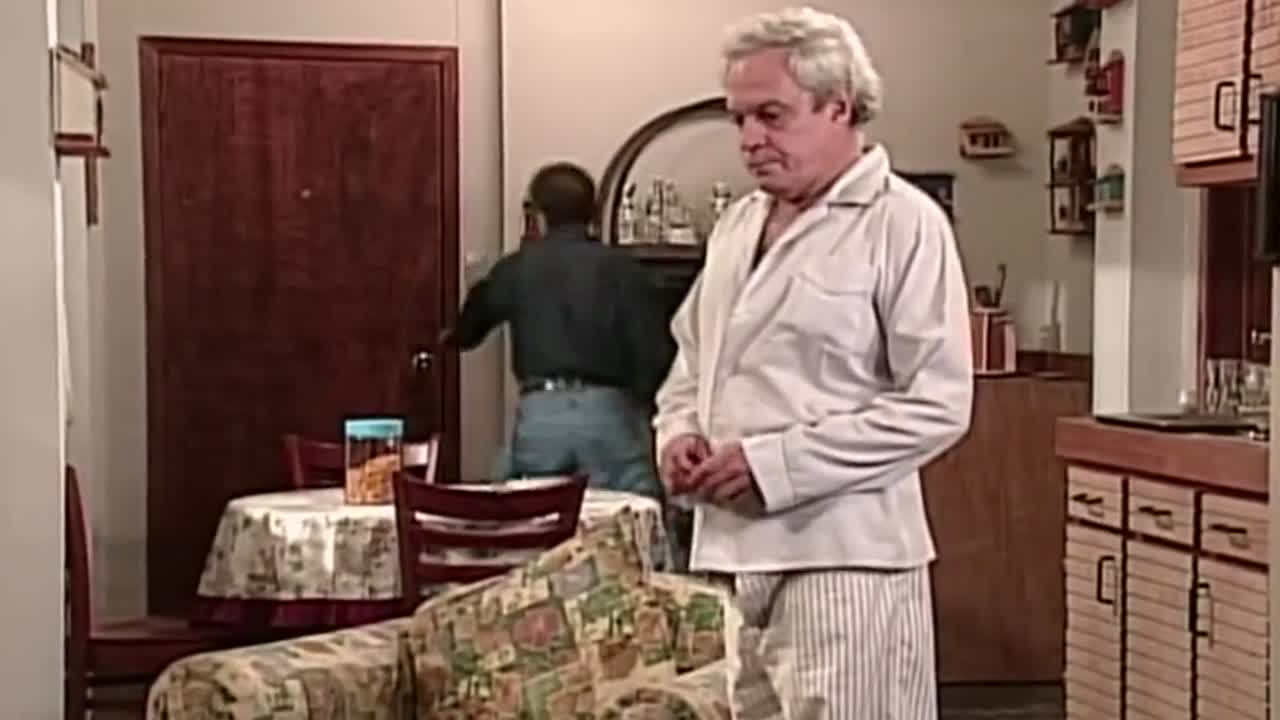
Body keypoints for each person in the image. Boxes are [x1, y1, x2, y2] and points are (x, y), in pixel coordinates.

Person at [654, 7, 973, 719]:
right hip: (732, 554)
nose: (749, 139)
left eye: (770, 115)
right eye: (739, 119)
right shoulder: (739, 225)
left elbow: (939, 404)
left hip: (844, 556)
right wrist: (677, 435)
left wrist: (775, 465)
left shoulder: (903, 223)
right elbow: (692, 361)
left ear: (840, 106)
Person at [446, 162, 672, 508]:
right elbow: (655, 352)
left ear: (537, 214)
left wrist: (453, 326)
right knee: (630, 514)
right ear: (594, 211)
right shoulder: (626, 270)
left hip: (542, 411)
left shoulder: (516, 268)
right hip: (610, 411)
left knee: (533, 517)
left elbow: (467, 332)